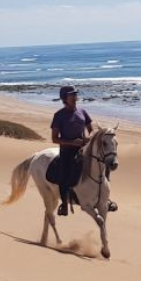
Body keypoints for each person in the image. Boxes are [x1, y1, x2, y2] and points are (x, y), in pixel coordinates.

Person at [51, 85, 93, 216]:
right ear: (65, 98)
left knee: (102, 165)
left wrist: (88, 138)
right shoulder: (59, 115)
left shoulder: (83, 112)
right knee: (64, 177)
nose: (75, 97)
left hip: (82, 150)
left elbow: (91, 130)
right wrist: (71, 142)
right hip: (67, 152)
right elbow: (54, 139)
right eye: (72, 95)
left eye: (75, 94)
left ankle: (104, 198)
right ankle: (64, 204)